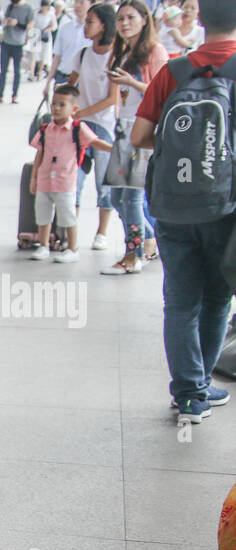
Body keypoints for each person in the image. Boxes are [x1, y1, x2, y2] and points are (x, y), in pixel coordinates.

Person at [131, 0, 236, 423]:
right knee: (217, 300)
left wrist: (182, 154)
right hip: (224, 208)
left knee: (180, 303)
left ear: (201, 22)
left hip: (172, 206)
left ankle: (189, 394)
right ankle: (199, 385)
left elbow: (140, 136)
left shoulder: (173, 70)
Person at [100, 0, 166, 275]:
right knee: (116, 198)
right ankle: (151, 240)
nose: (124, 23)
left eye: (130, 17)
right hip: (123, 127)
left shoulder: (155, 51)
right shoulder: (123, 50)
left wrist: (131, 82)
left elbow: (161, 90)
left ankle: (133, 255)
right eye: (121, 18)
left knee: (132, 198)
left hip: (142, 129)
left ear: (144, 20)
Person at [27, 83, 113, 261]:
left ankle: (72, 249)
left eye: (62, 105)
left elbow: (95, 142)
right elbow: (39, 153)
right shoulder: (45, 129)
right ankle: (43, 246)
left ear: (73, 109)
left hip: (65, 182)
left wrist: (113, 149)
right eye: (54, 104)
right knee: (43, 216)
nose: (56, 108)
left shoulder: (77, 129)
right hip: (44, 181)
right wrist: (34, 177)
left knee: (68, 217)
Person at [68, 2, 118, 249]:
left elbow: (112, 98)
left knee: (104, 183)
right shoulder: (83, 54)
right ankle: (70, 234)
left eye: (90, 22)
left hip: (105, 126)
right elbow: (71, 85)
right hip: (80, 127)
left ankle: (102, 233)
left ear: (104, 26)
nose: (86, 25)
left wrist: (79, 113)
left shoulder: (116, 57)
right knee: (73, 180)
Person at [0, 0, 34, 101]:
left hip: (18, 43)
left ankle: (14, 95)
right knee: (3, 71)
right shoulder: (10, 6)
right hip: (6, 42)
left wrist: (18, 24)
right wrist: (6, 22)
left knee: (17, 71)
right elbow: (4, 20)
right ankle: (0, 95)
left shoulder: (28, 8)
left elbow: (30, 25)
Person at [48, 0, 92, 88]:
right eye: (76, 2)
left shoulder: (94, 32)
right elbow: (57, 56)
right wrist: (48, 83)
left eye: (82, 3)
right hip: (62, 77)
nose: (77, 6)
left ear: (91, 5)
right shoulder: (65, 28)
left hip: (83, 81)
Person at [33, 0, 58, 78]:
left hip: (45, 36)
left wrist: (48, 29)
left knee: (44, 54)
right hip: (36, 35)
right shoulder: (36, 13)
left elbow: (54, 26)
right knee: (35, 54)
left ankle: (40, 71)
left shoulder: (50, 14)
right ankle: (33, 71)